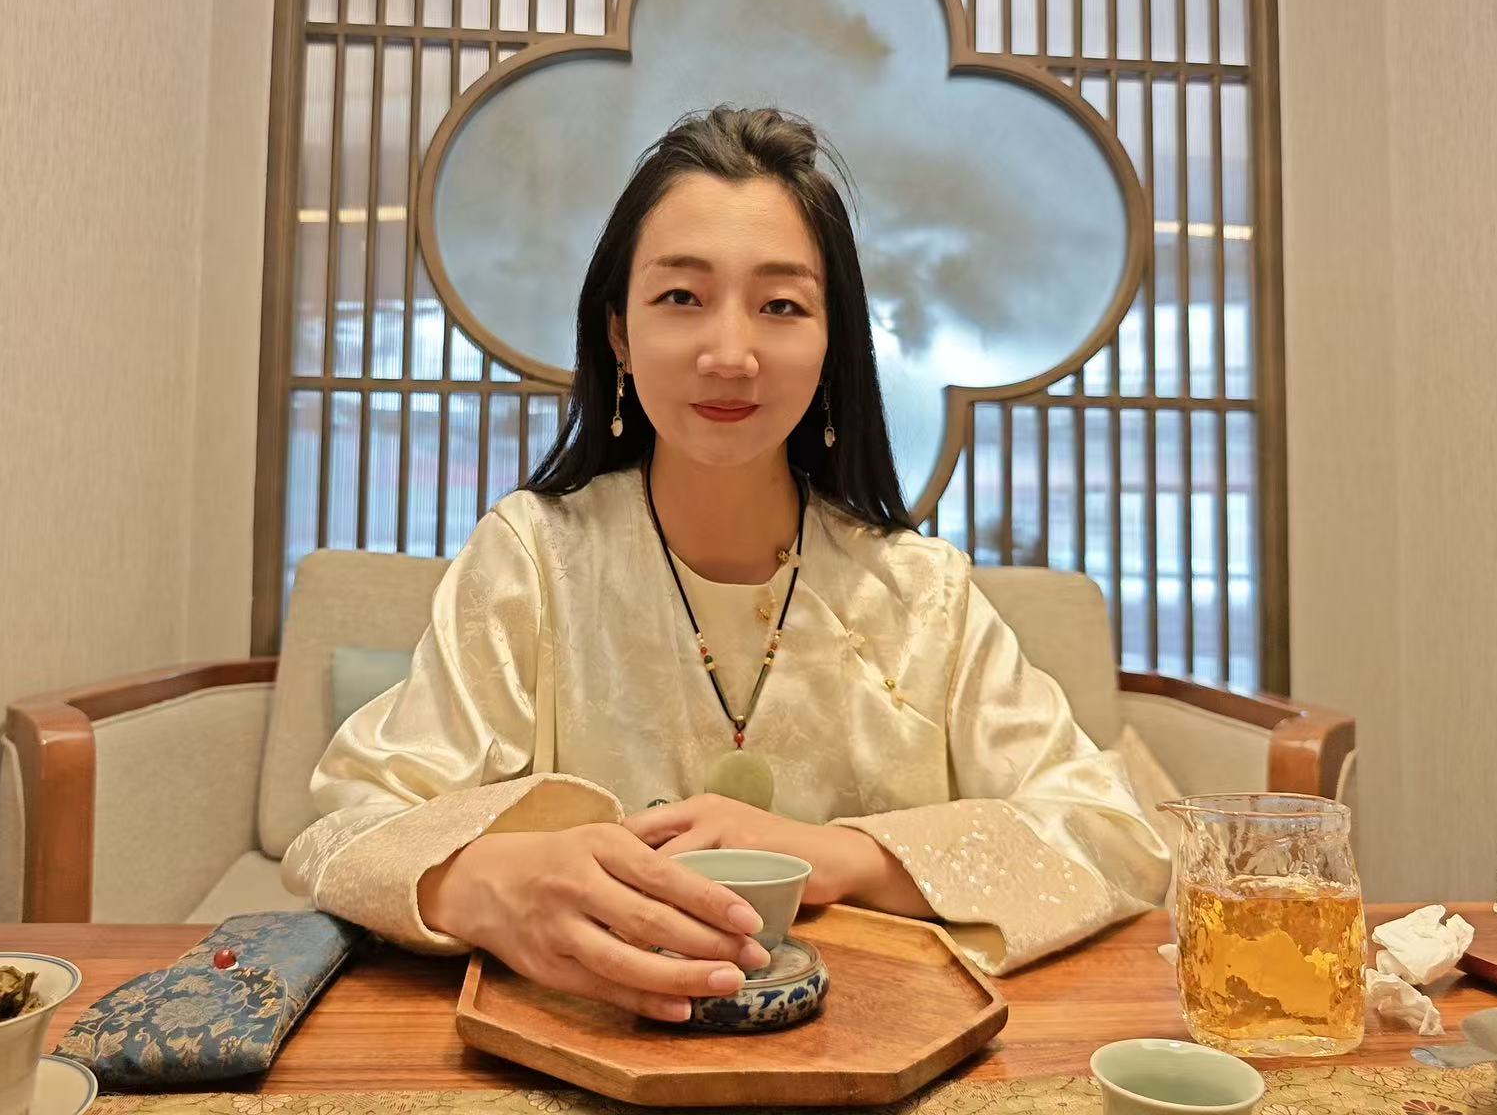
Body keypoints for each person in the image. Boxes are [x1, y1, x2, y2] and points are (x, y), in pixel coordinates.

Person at [283, 106, 1169, 1023]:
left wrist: (840, 855)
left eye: (781, 306)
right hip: (589, 1044)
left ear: (830, 344)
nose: (730, 355)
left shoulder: (921, 595)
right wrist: (484, 883)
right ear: (618, 334)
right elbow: (349, 826)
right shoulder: (534, 559)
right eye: (682, 297)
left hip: (879, 1043)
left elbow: (1114, 836)